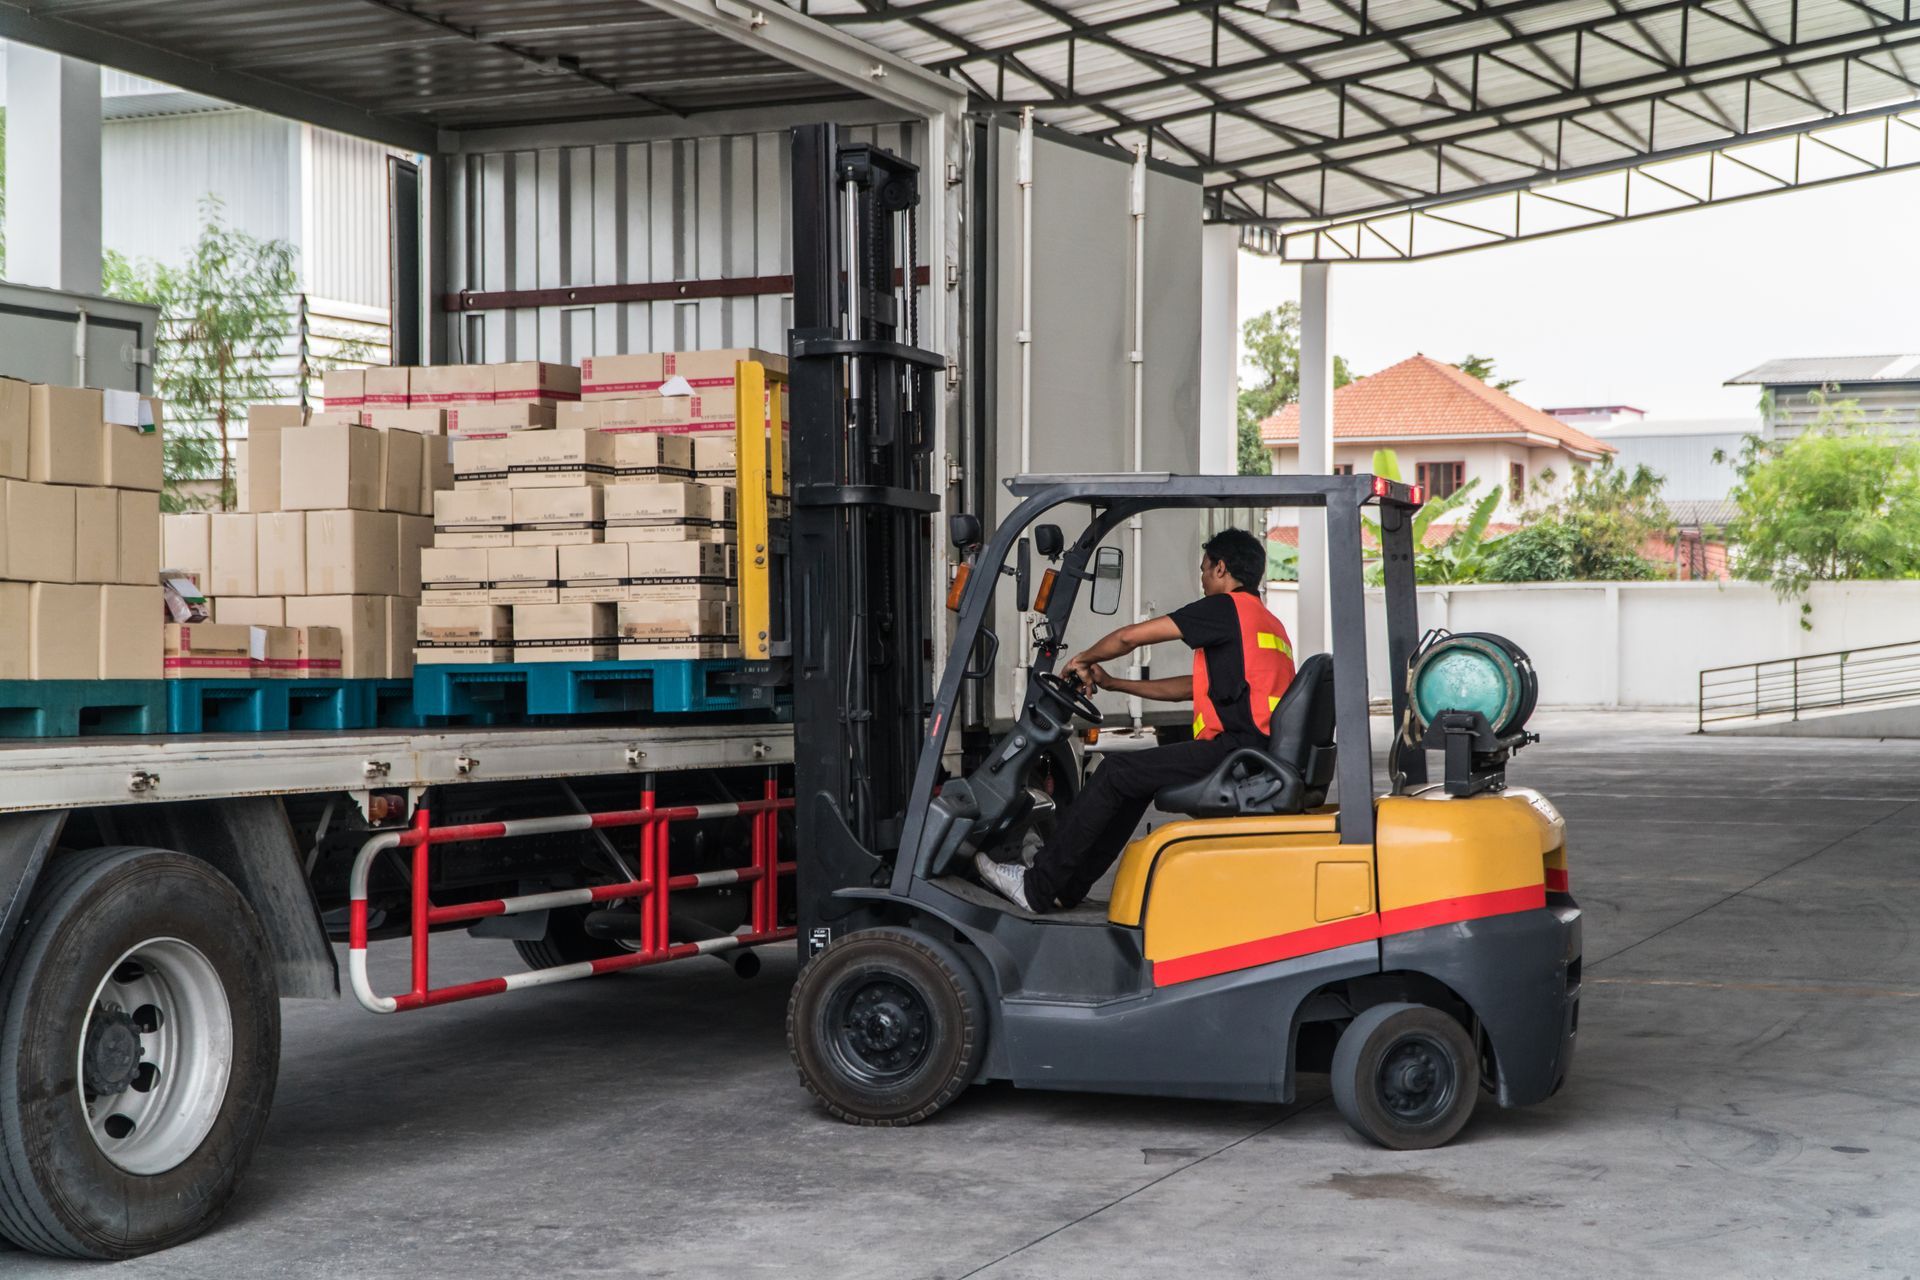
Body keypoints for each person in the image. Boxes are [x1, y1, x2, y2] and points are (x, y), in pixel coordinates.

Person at [975, 527, 1295, 913]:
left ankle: (1037, 886)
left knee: (1114, 772)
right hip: (1252, 752)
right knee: (1130, 782)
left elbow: (1130, 638)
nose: (1202, 579)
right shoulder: (1265, 623)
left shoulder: (1225, 609)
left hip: (1236, 752)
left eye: (1204, 570)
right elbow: (1188, 688)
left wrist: (1083, 660)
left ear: (1221, 568)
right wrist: (1113, 683)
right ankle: (1065, 888)